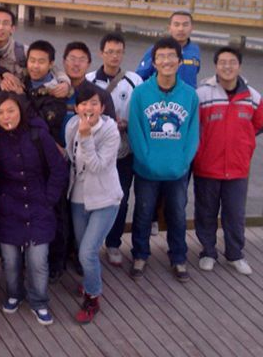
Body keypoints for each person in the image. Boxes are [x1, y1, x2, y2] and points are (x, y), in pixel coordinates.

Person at [0, 92, 68, 325]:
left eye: (11, 110)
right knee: (10, 261)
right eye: (0, 113)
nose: (6, 116)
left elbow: (58, 169)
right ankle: (15, 293)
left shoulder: (38, 134)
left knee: (38, 261)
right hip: (8, 208)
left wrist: (49, 198)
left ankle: (39, 301)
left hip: (38, 206)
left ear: (21, 111)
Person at [128, 37, 199, 283]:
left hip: (177, 170)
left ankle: (178, 257)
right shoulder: (140, 93)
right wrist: (145, 159)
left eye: (171, 56)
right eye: (161, 57)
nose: (166, 61)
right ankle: (140, 254)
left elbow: (193, 134)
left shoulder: (190, 95)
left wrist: (183, 161)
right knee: (143, 212)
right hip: (146, 169)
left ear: (179, 62)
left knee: (177, 214)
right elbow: (136, 131)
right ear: (154, 62)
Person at [194, 46, 263, 275]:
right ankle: (207, 252)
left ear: (239, 66)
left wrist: (243, 143)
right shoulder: (202, 94)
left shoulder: (253, 96)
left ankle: (235, 254)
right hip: (207, 165)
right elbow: (193, 126)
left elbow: (258, 124)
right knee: (206, 212)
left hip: (238, 168)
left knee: (235, 214)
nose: (227, 66)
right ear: (216, 66)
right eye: (222, 62)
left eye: (232, 62)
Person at [66, 83, 122, 324]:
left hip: (105, 198)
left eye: (94, 103)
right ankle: (91, 281)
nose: (88, 108)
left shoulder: (110, 131)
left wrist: (86, 136)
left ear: (102, 107)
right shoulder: (71, 125)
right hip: (78, 197)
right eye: (83, 103)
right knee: (83, 249)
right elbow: (71, 158)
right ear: (76, 107)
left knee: (88, 251)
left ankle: (92, 297)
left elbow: (98, 166)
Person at [86, 33, 143, 266]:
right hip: (95, 150)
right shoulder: (89, 80)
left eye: (119, 52)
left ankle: (113, 243)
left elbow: (140, 114)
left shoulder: (134, 80)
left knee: (120, 199)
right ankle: (87, 245)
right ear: (101, 53)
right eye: (110, 51)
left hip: (123, 152)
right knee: (88, 197)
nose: (114, 56)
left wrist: (128, 124)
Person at [136, 11, 201, 88]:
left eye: (185, 25)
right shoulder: (157, 50)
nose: (181, 29)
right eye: (176, 25)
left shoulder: (195, 50)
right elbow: (139, 77)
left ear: (192, 28)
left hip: (187, 94)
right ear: (169, 28)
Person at [24, 40, 70, 142]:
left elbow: (41, 122)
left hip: (42, 145)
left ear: (51, 64)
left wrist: (20, 96)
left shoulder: (58, 93)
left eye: (41, 62)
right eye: (32, 61)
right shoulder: (23, 81)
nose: (35, 66)